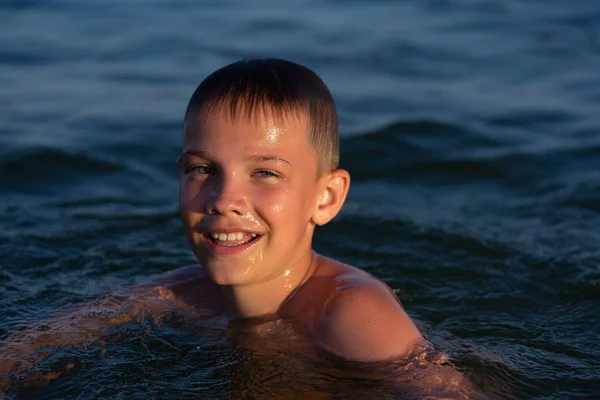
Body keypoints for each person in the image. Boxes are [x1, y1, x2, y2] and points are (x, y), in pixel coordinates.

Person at [1, 58, 432, 394]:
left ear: (326, 198)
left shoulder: (348, 312)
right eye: (203, 169)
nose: (223, 199)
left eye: (265, 173)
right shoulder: (187, 295)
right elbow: (28, 350)